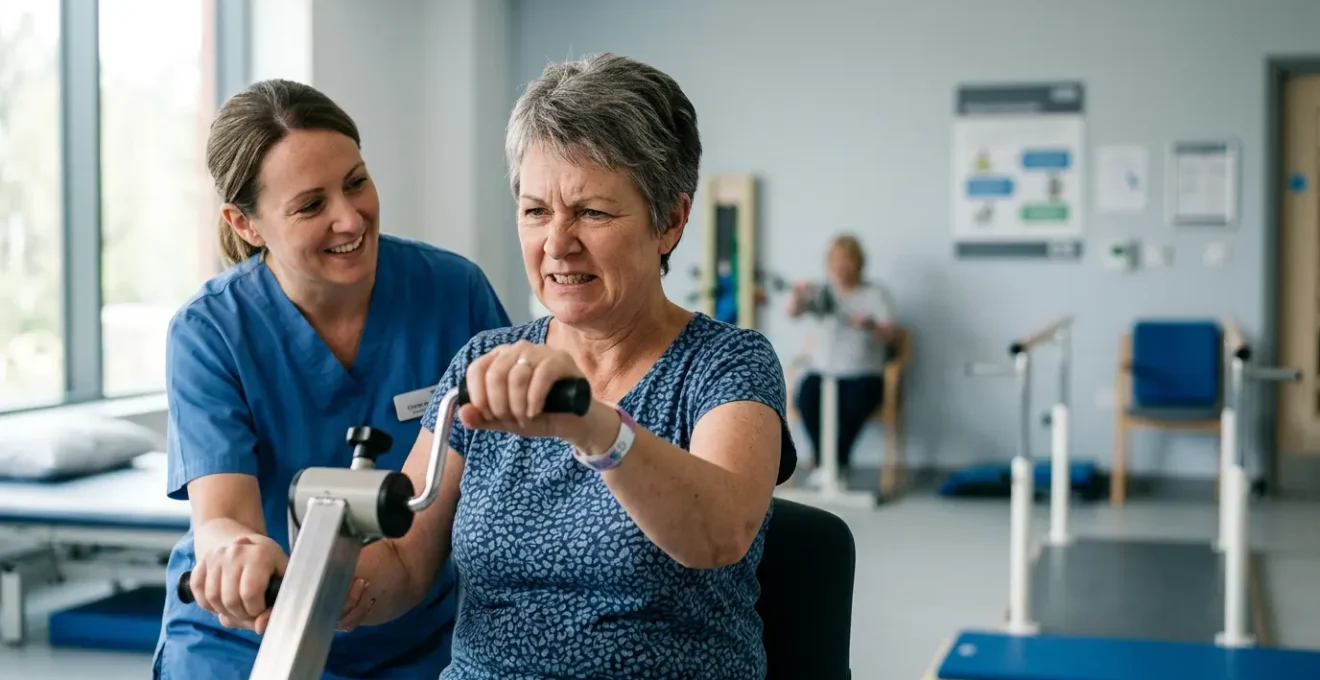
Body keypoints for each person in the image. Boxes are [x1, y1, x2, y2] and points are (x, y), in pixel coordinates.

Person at [334, 53, 797, 679]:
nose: (557, 242)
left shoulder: (726, 366)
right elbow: (404, 564)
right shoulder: (484, 363)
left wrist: (589, 423)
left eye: (591, 212)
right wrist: (311, 581)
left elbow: (718, 534)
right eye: (535, 211)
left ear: (671, 221)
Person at [152, 79, 511, 680]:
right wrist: (235, 558)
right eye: (311, 205)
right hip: (248, 637)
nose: (350, 218)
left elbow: (511, 475)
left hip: (417, 641)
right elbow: (222, 519)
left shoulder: (453, 293)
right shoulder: (211, 331)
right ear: (246, 224)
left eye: (356, 183)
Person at [787, 234, 895, 486]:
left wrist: (868, 324)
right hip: (822, 372)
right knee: (806, 395)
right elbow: (793, 312)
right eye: (837, 261)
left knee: (854, 402)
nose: (842, 267)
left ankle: (835, 464)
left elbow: (890, 335)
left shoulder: (875, 295)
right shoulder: (821, 292)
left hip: (862, 374)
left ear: (858, 263)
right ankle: (828, 464)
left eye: (847, 261)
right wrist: (797, 293)